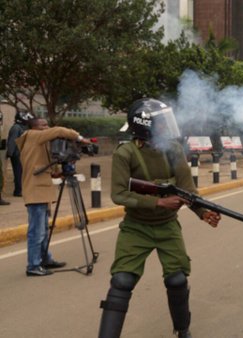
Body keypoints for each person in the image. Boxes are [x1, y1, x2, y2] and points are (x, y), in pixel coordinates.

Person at [98, 98, 221, 338]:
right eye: (162, 124)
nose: (167, 127)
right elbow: (119, 194)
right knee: (122, 281)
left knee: (176, 280)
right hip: (136, 227)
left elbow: (188, 191)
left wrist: (203, 213)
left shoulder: (173, 150)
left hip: (166, 226)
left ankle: (183, 330)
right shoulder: (126, 153)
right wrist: (158, 201)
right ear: (145, 126)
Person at [15, 118, 92, 276]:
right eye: (44, 125)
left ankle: (45, 260)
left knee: (43, 229)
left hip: (39, 191)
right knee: (37, 231)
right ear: (35, 128)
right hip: (36, 192)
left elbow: (42, 168)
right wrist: (79, 138)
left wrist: (59, 172)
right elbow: (58, 130)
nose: (47, 127)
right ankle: (33, 266)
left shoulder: (36, 143)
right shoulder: (33, 135)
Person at [7, 110, 34, 197]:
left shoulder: (23, 127)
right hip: (17, 154)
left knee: (23, 172)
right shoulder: (16, 128)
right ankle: (18, 191)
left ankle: (22, 189)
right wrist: (10, 153)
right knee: (18, 172)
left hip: (23, 154)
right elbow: (12, 141)